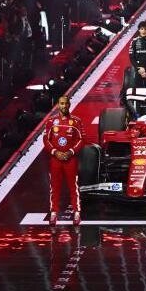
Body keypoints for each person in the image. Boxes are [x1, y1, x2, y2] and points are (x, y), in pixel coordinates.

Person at [43, 96, 85, 226]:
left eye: (66, 104)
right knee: (54, 186)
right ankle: (54, 212)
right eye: (61, 103)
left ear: (69, 105)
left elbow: (82, 140)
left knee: (73, 186)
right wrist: (55, 152)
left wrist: (70, 152)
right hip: (55, 159)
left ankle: (77, 212)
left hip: (70, 159)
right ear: (58, 105)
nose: (64, 106)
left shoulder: (76, 121)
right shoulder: (50, 122)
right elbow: (46, 140)